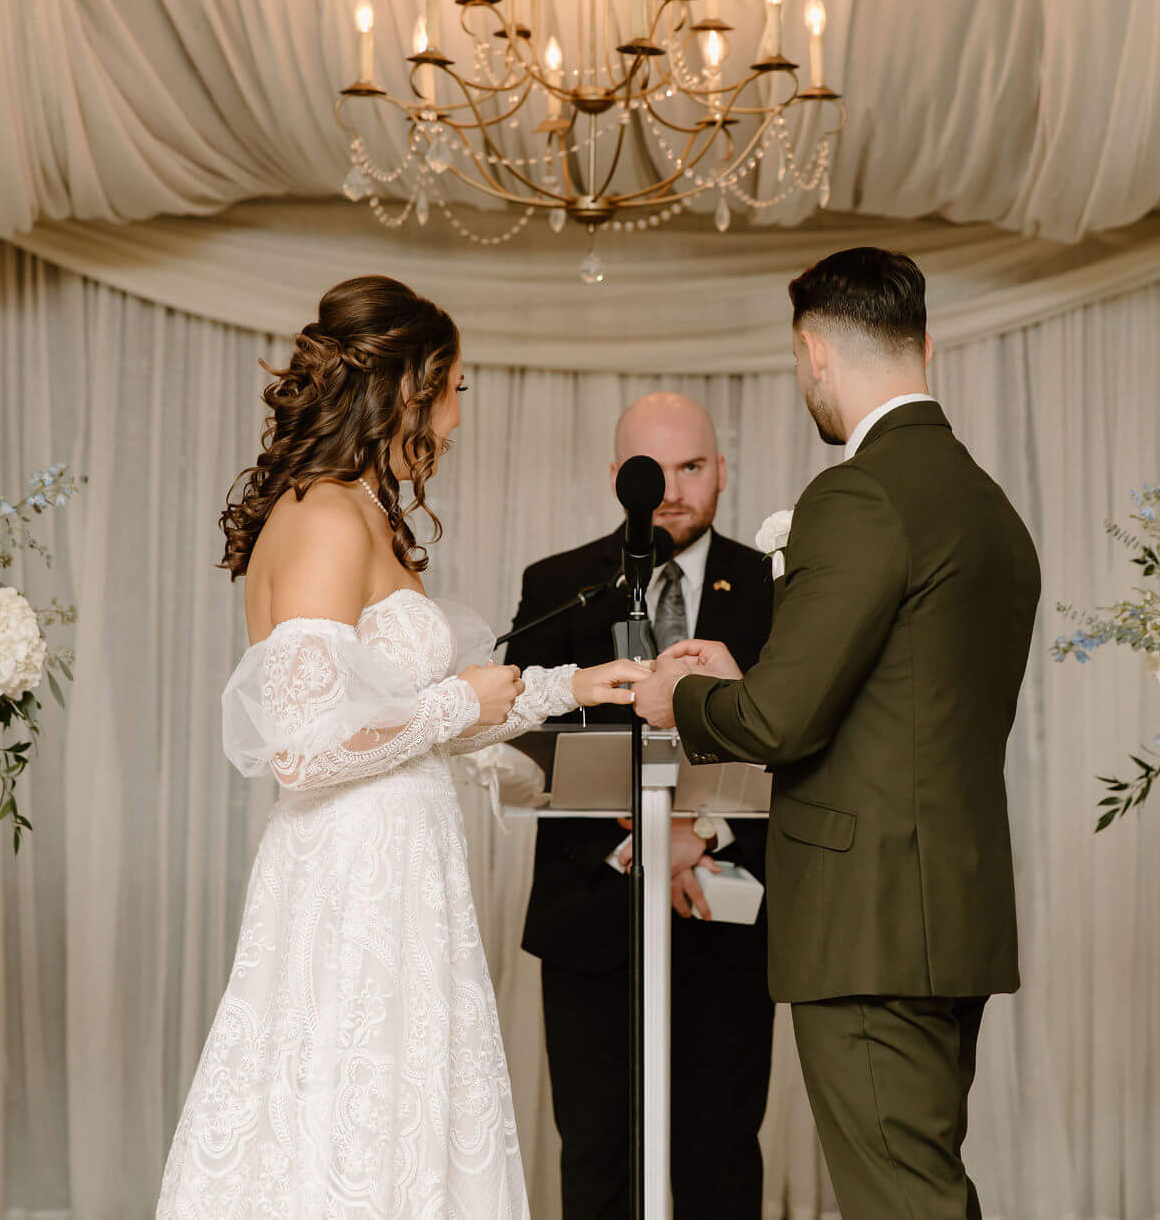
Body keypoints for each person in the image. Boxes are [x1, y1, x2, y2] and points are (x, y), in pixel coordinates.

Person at [156, 275, 648, 1220]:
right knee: (346, 1109)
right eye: (456, 389)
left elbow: (426, 705)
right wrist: (451, 704)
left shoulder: (358, 509)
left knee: (398, 1113)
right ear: (408, 390)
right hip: (355, 870)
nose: (459, 418)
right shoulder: (327, 517)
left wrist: (573, 686)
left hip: (396, 855)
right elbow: (301, 751)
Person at [632, 248, 1043, 1220]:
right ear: (923, 345)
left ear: (813, 354)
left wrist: (675, 700)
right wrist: (751, 677)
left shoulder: (859, 495)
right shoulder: (985, 508)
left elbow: (775, 723)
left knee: (901, 1203)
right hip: (947, 909)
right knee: (922, 1187)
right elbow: (904, 701)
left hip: (868, 924)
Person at [507, 392, 776, 1220]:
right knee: (595, 1154)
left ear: (721, 471)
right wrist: (640, 840)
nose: (671, 490)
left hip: (725, 911)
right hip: (592, 911)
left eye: (691, 467)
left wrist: (697, 833)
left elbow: (798, 727)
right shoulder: (556, 584)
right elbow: (526, 740)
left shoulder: (777, 585)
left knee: (721, 1152)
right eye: (649, 472)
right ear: (617, 477)